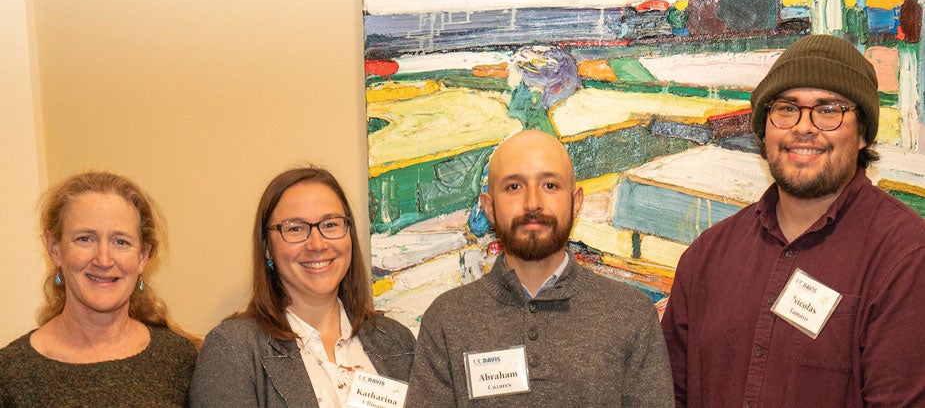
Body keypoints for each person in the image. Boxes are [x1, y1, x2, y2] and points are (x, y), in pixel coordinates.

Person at [661, 34, 925, 407]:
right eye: (786, 108)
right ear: (765, 128)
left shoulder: (906, 258)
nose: (804, 127)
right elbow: (669, 395)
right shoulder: (707, 256)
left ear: (863, 132)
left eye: (829, 109)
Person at [408, 130, 674, 407]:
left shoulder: (631, 313)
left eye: (549, 185)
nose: (532, 203)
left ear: (576, 202)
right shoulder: (446, 319)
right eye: (514, 187)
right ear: (489, 207)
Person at [190, 166, 415, 407]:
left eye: (330, 225)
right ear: (267, 247)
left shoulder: (397, 341)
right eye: (295, 228)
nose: (317, 244)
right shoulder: (234, 350)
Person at [0, 171, 199, 406]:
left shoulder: (179, 359)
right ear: (54, 249)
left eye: (121, 242)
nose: (103, 260)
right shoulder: (10, 374)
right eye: (85, 239)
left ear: (143, 256)